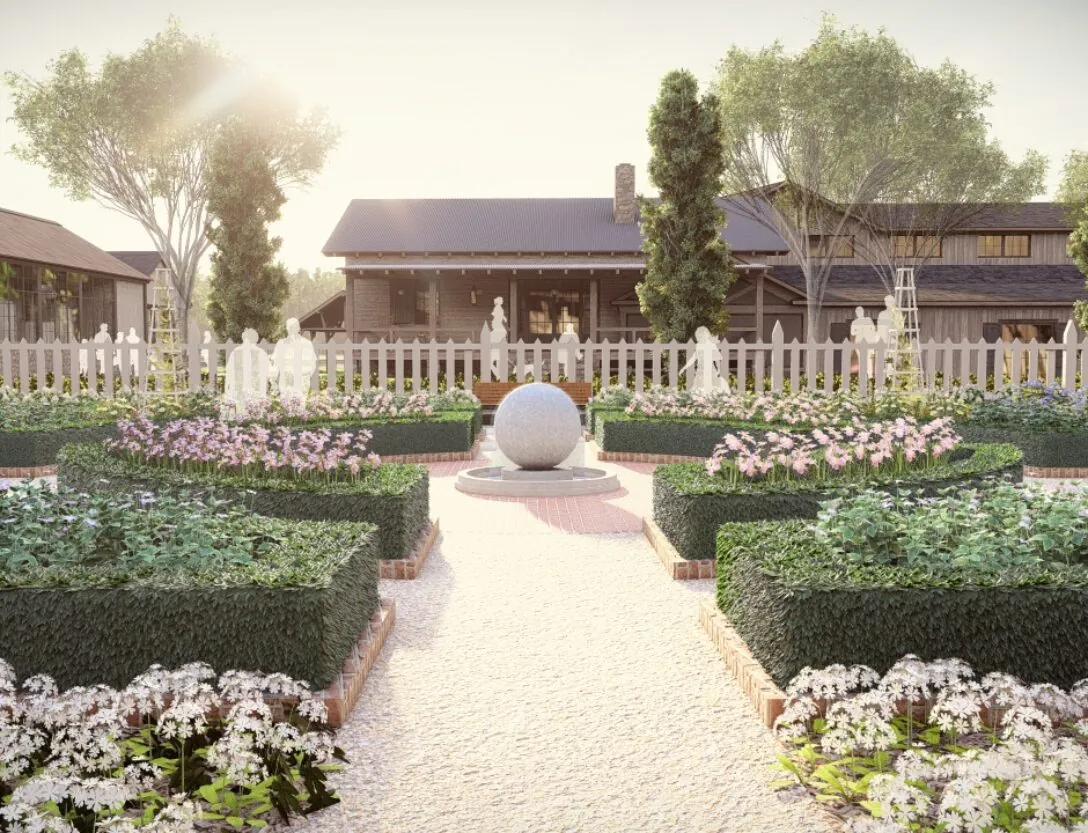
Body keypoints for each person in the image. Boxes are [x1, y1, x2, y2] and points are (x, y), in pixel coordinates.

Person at [271, 317, 317, 400]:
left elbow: (311, 364)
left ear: (299, 328)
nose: (292, 329)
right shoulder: (281, 343)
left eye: (295, 327)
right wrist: (274, 378)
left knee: (300, 404)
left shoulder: (306, 344)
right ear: (287, 328)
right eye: (290, 327)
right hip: (285, 380)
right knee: (286, 404)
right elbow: (275, 362)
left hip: (301, 379)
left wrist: (302, 373)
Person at [679, 326, 729, 391]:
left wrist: (718, 368)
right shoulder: (698, 346)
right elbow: (693, 358)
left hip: (710, 370)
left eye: (702, 336)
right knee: (700, 388)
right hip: (700, 371)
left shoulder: (711, 345)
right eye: (699, 337)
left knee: (711, 387)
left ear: (706, 335)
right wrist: (684, 368)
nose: (700, 338)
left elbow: (716, 359)